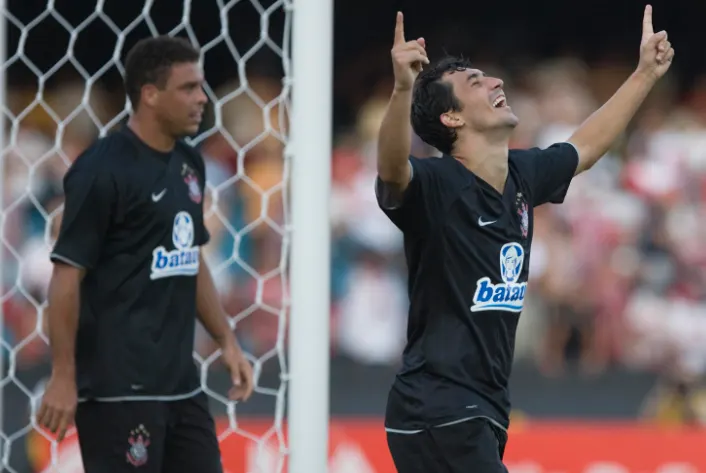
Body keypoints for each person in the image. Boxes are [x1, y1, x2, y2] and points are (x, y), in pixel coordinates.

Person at [376, 6, 673, 473]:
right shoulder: (435, 185)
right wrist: (400, 88)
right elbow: (392, 170)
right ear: (451, 118)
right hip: (437, 408)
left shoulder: (520, 176)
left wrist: (644, 74)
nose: (494, 82)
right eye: (475, 82)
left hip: (483, 410)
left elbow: (586, 147)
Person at [36, 36, 254, 473]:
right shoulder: (101, 171)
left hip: (181, 386)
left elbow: (189, 256)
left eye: (202, 86)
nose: (202, 99)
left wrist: (226, 340)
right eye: (188, 88)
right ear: (150, 95)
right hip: (118, 391)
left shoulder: (190, 163)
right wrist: (63, 375)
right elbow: (65, 277)